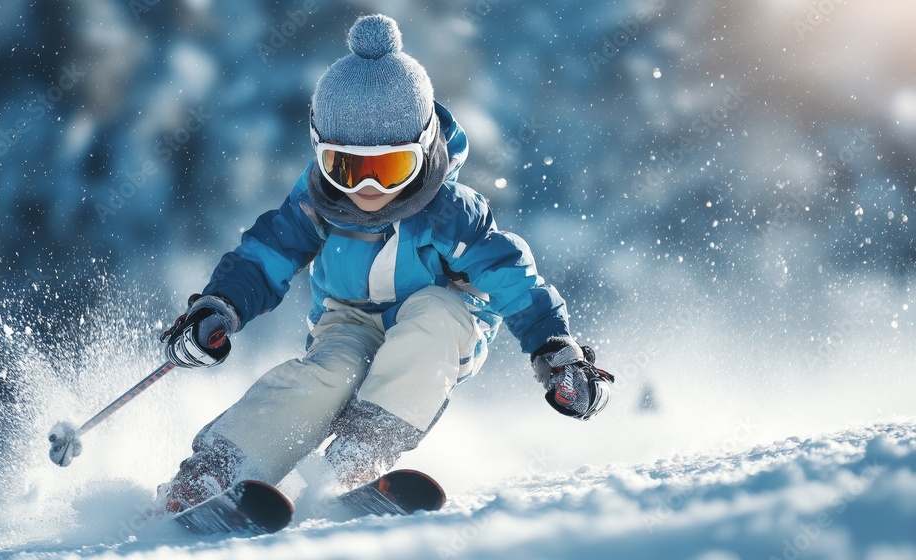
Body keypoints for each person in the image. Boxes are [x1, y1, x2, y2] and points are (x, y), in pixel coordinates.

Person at [155, 14, 614, 514]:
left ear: (422, 150)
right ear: (321, 152)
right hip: (349, 318)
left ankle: (358, 455)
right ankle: (215, 472)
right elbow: (267, 252)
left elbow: (511, 277)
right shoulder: (317, 203)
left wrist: (554, 349)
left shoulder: (449, 212)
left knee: (432, 322)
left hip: (444, 320)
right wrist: (219, 306)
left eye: (391, 168)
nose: (367, 190)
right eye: (346, 167)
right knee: (324, 377)